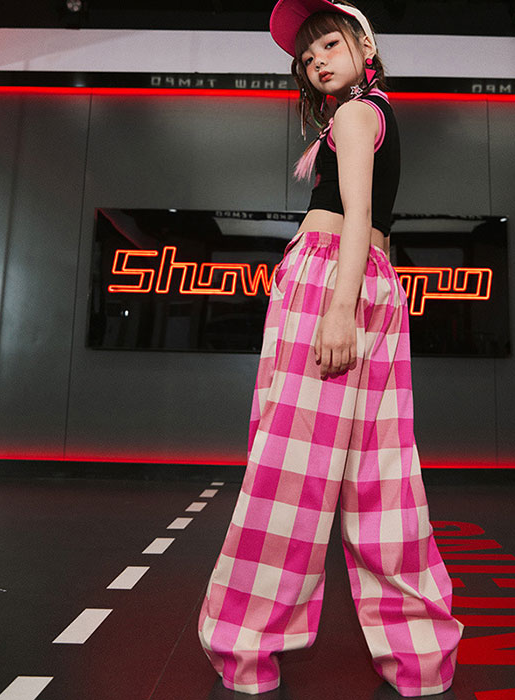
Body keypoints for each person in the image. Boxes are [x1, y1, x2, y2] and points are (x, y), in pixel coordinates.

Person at [198, 0, 465, 695]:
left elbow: (357, 212)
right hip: (372, 281)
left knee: (289, 473)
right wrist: (361, 299)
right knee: (382, 479)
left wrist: (338, 309)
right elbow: (374, 229)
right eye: (307, 53)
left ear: (365, 46)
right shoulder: (373, 112)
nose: (316, 58)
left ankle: (246, 649)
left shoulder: (353, 113)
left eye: (329, 43)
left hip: (332, 281)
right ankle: (420, 659)